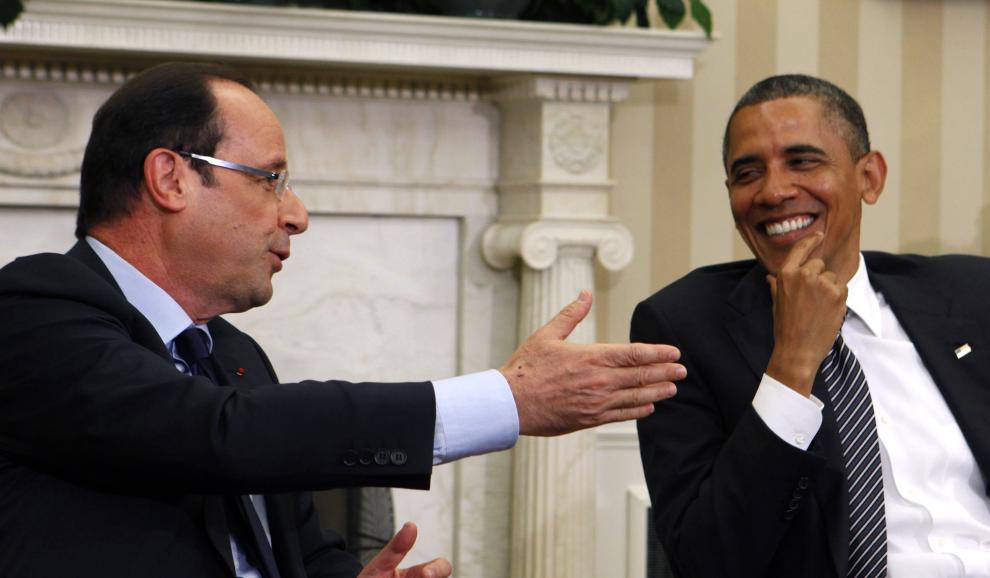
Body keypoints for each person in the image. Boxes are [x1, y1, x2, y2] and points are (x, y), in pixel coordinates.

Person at [0, 62, 686, 578]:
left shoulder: (233, 356)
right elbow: (217, 436)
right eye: (269, 179)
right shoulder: (33, 311)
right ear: (171, 178)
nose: (295, 213)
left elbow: (295, 551)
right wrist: (507, 399)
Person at [633, 73, 990, 578]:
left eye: (802, 161)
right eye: (748, 173)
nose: (773, 191)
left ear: (869, 177)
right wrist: (792, 364)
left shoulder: (981, 294)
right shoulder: (682, 327)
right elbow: (710, 559)